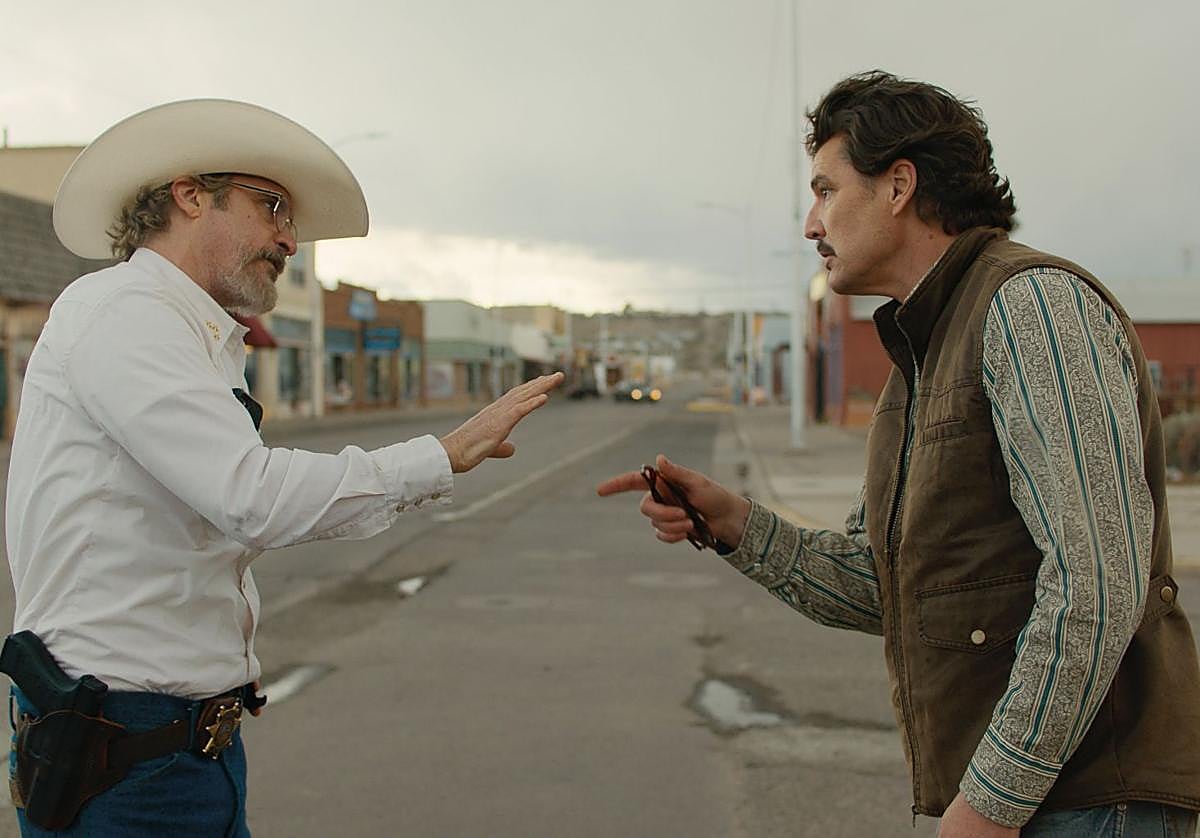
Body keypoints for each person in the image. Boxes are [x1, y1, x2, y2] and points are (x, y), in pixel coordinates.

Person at [599, 71, 1200, 837]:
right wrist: (738, 525)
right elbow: (885, 589)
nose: (811, 225)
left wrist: (991, 801)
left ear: (898, 186)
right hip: (1029, 804)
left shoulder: (1032, 306)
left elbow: (1097, 583)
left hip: (1088, 805)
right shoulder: (920, 359)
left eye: (825, 190)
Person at [4, 98, 562, 836]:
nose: (290, 240)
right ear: (191, 193)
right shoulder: (125, 312)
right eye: (272, 208)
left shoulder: (192, 334)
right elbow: (251, 496)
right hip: (125, 758)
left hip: (174, 748)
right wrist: (440, 457)